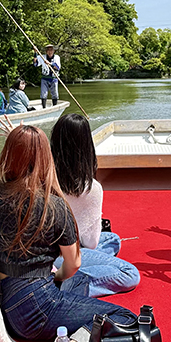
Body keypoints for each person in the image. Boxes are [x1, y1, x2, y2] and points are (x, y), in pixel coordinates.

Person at [0, 117, 136, 342]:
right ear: (47, 158)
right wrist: (57, 277)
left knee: (81, 281)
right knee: (123, 318)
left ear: (7, 156)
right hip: (37, 310)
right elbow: (73, 264)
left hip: (9, 299)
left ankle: (72, 317)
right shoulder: (55, 206)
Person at [50, 114, 140, 297]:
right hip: (62, 257)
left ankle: (71, 272)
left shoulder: (45, 177)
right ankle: (70, 285)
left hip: (45, 252)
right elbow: (91, 243)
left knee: (113, 239)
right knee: (129, 274)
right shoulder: (91, 188)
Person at [33, 44, 60, 109]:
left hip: (53, 78)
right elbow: (35, 64)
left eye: (51, 50)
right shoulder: (42, 57)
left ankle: (55, 107)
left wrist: (50, 63)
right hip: (45, 78)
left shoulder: (57, 57)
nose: (50, 52)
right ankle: (44, 108)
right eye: (48, 50)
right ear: (46, 51)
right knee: (43, 94)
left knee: (55, 94)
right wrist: (35, 52)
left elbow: (57, 67)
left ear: (53, 51)